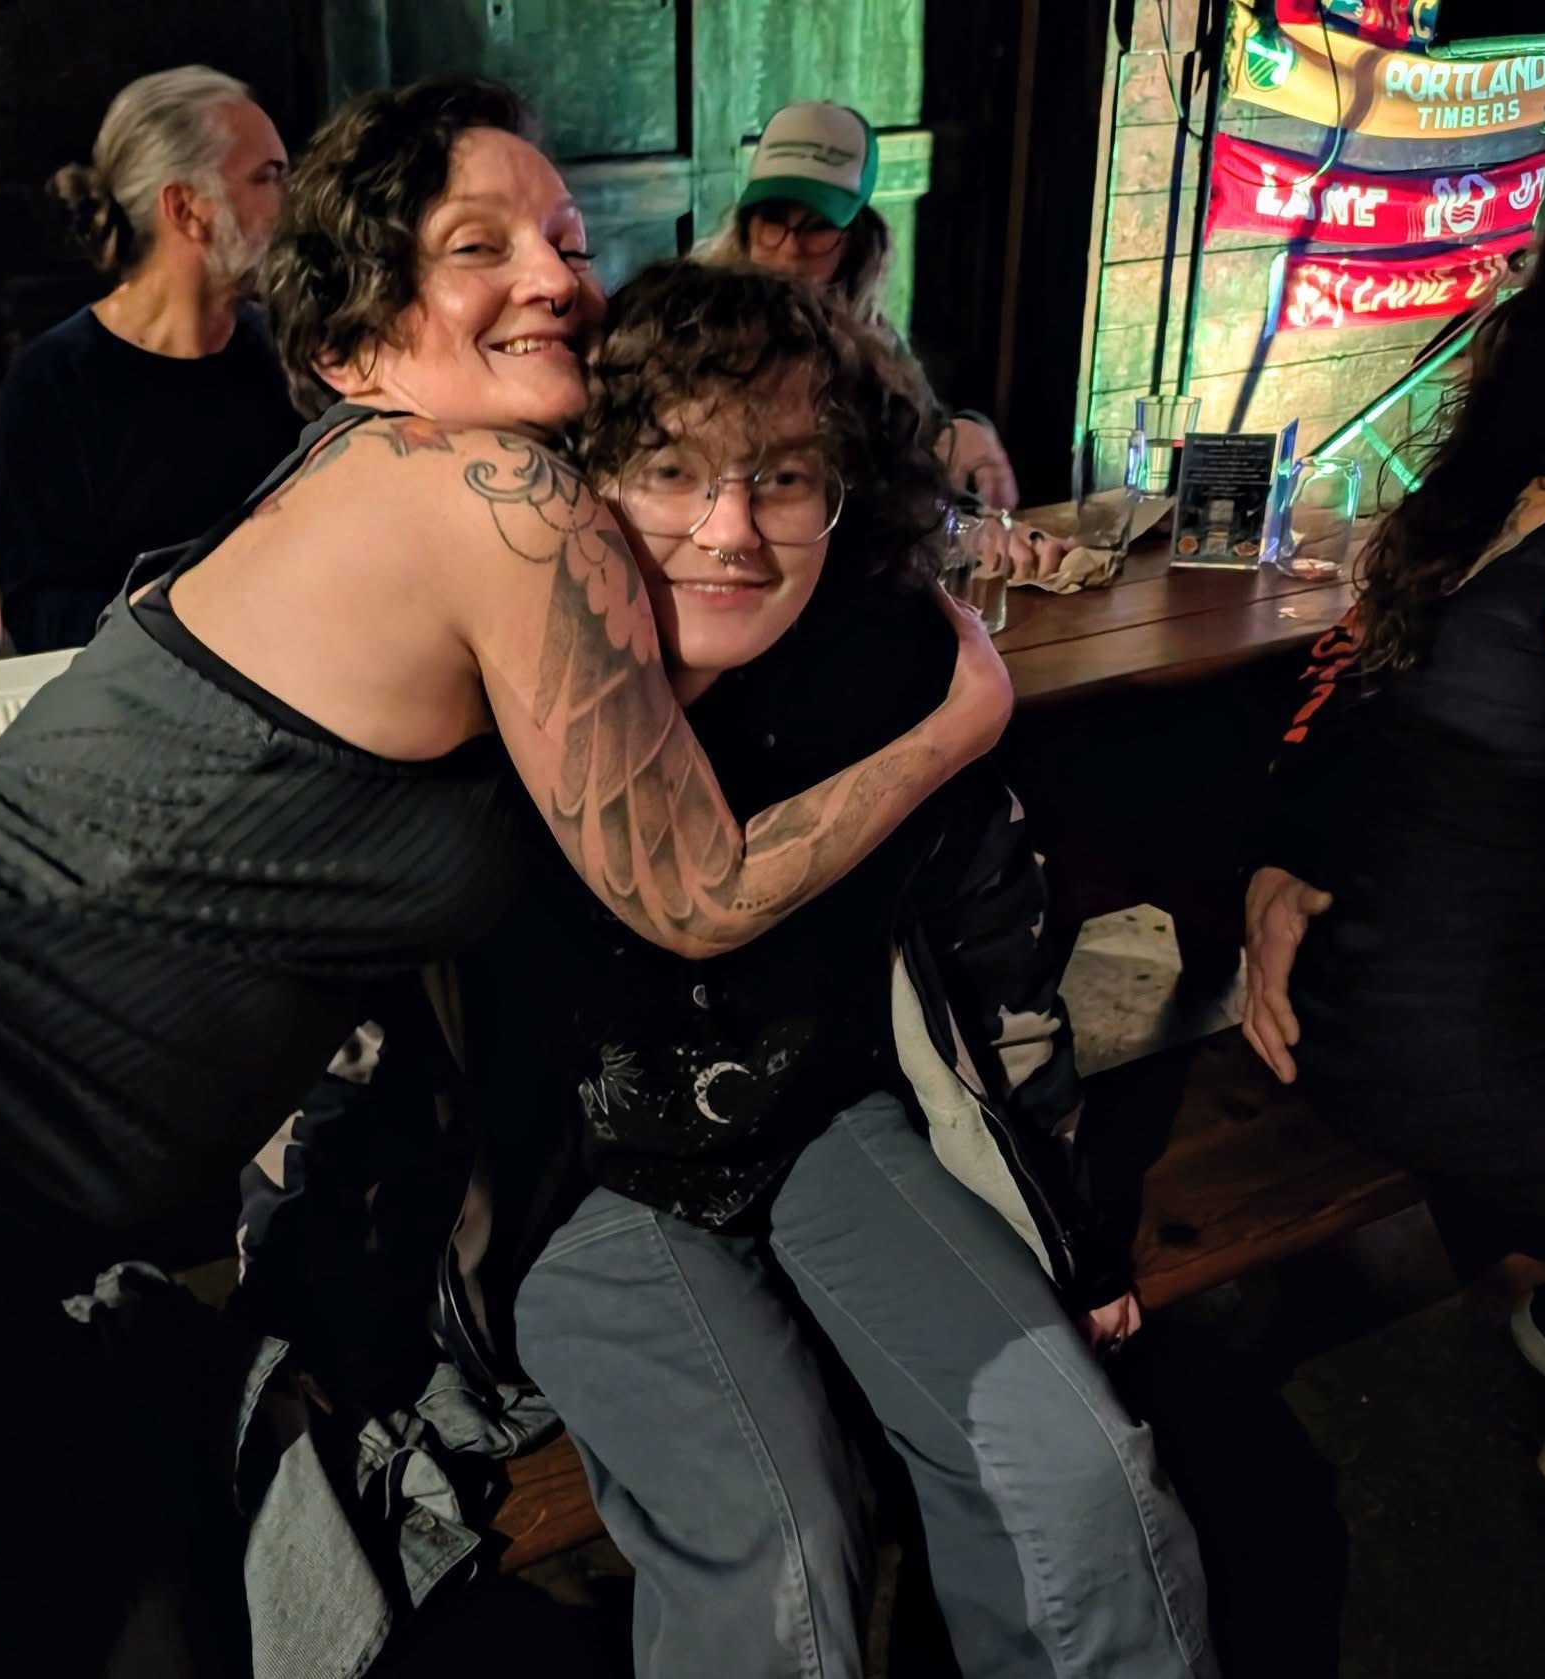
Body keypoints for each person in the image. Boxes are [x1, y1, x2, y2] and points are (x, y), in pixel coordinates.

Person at [0, 78, 1017, 1671]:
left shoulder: (403, 481)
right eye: (481, 244)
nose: (558, 277)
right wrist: (960, 717)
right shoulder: (493, 494)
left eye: (571, 240)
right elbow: (693, 887)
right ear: (355, 331)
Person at [489, 261, 1210, 1679]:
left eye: (781, 476)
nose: (728, 529)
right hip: (573, 1181)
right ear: (586, 480)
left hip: (824, 1122)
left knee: (1080, 1475)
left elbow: (998, 971)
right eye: (669, 469)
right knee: (779, 1558)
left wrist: (1065, 1237)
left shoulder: (880, 666)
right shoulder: (488, 687)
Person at [1240, 212, 1545, 1479]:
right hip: (1471, 1063)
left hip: (1350, 1009)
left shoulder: (1491, 489)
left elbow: (1329, 721)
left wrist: (1269, 870)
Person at [0, 65, 304, 651]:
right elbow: (40, 613)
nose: (294, 204)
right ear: (186, 208)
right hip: (144, 688)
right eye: (268, 177)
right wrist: (193, 612)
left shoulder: (290, 353)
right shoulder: (54, 382)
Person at [700, 99, 1025, 527]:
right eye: (774, 220)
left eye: (818, 226)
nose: (790, 247)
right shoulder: (692, 331)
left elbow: (925, 438)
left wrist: (964, 433)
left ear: (858, 241)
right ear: (745, 225)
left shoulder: (874, 343)